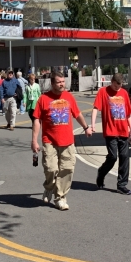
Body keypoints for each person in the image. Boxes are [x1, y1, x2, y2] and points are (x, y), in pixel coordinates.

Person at [31, 70, 92, 211]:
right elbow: (37, 120)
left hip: (67, 140)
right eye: (58, 82)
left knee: (67, 169)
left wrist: (86, 127)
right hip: (49, 141)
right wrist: (34, 141)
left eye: (63, 81)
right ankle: (49, 187)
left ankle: (60, 197)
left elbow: (77, 114)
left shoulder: (69, 97)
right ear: (52, 83)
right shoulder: (43, 99)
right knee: (51, 169)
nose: (62, 84)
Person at [91, 73, 131, 195]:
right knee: (113, 157)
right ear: (112, 82)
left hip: (123, 131)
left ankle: (122, 185)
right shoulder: (103, 92)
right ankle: (102, 172)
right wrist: (93, 124)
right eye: (116, 85)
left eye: (120, 86)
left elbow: (128, 113)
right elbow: (95, 108)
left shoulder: (124, 93)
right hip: (110, 131)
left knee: (124, 157)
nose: (118, 88)